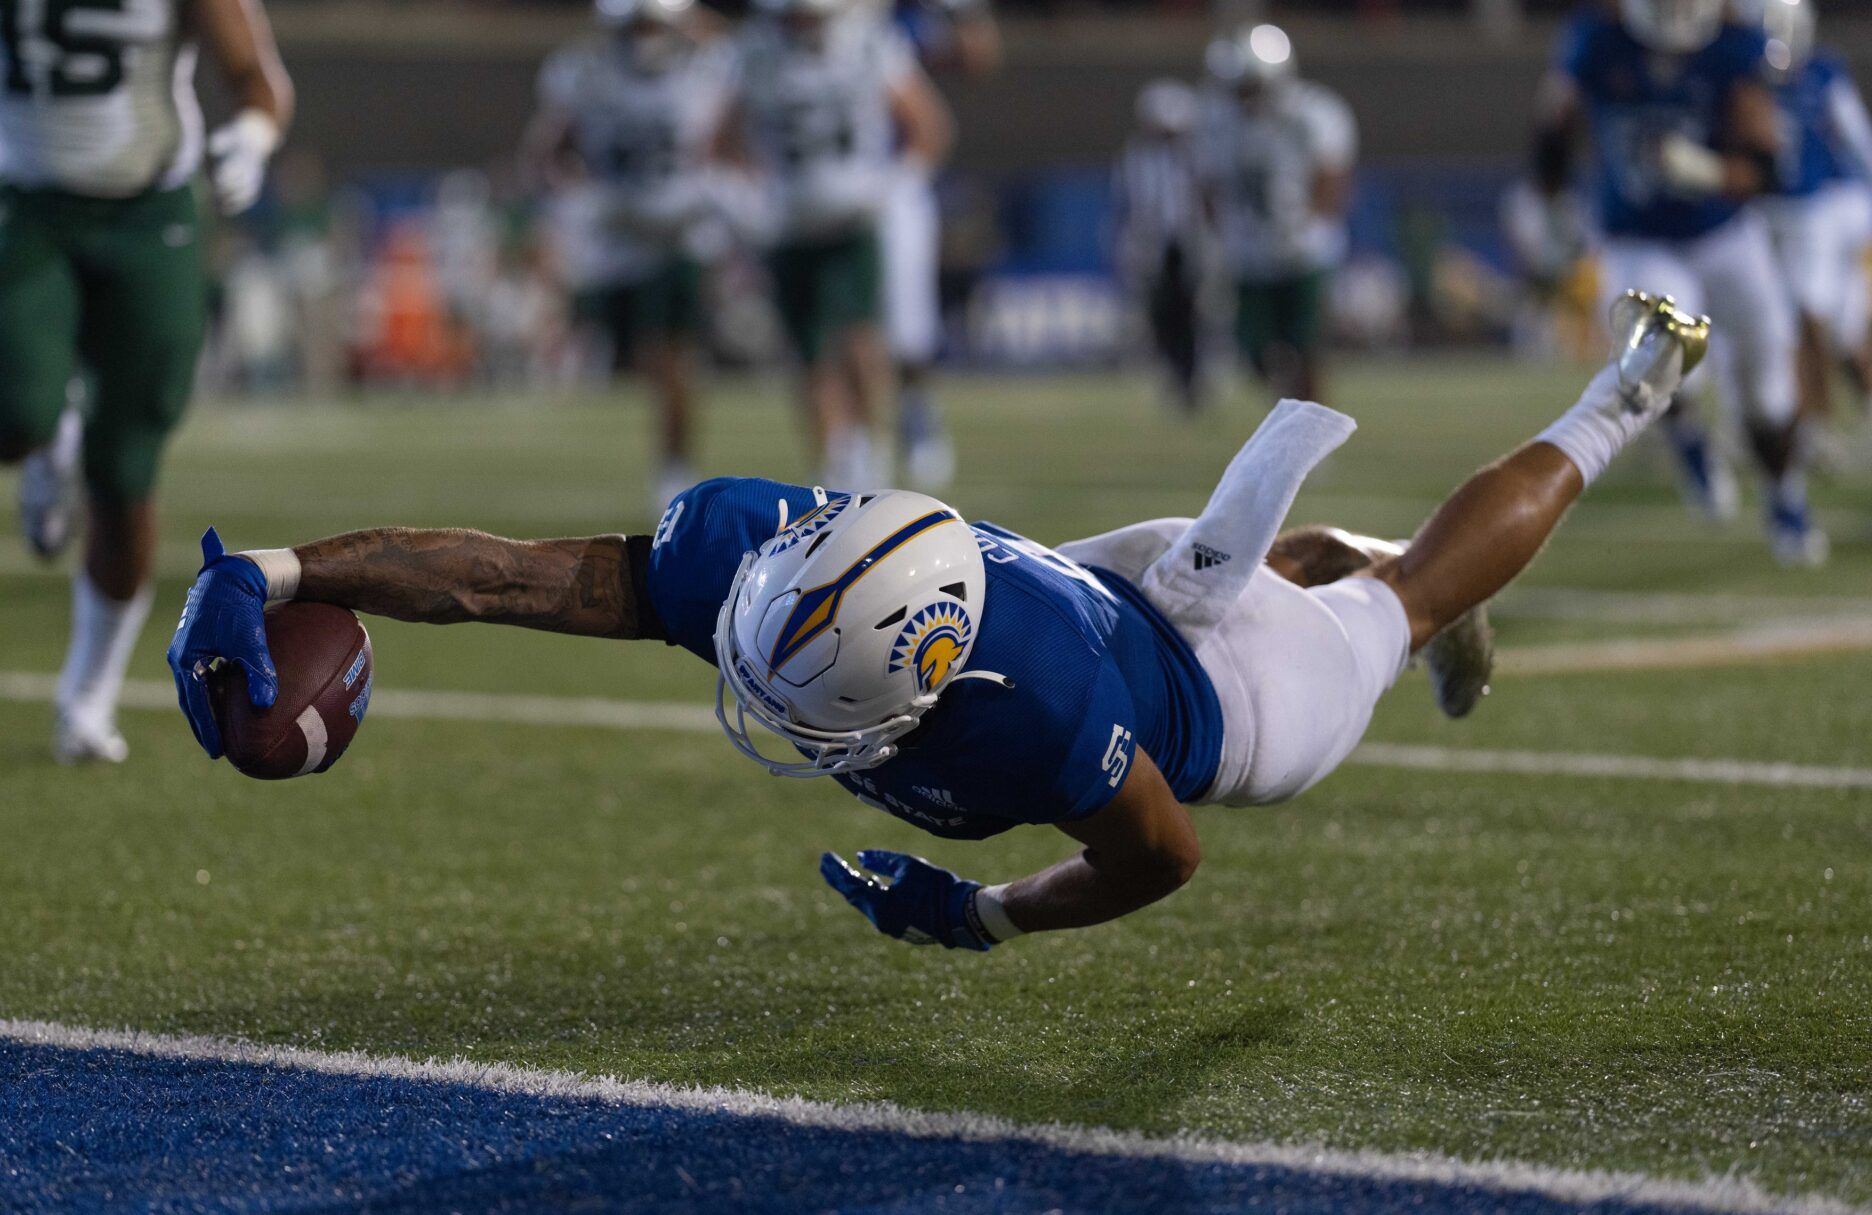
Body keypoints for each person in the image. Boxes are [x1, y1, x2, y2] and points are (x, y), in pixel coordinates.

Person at [169, 292, 1704, 952]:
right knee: (1226, 557)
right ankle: (1312, 553)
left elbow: (1163, 856)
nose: (766, 706)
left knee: (1413, 594)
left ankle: (1624, 393)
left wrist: (984, 914)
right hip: (1106, 572)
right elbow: (498, 577)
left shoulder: (1022, 715)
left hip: (1212, 693)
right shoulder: (755, 550)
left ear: (928, 685)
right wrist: (285, 576)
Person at [0, 0, 293, 763]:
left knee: (125, 469)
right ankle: (50, 441)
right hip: (29, 204)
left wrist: (251, 135)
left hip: (151, 215)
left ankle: (87, 695)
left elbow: (255, 76)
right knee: (4, 417)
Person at [1531, 0, 1825, 565]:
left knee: (1767, 391)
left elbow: (1764, 164)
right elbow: (1553, 132)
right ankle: (1689, 438)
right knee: (1660, 356)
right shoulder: (1595, 40)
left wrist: (1709, 171)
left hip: (1725, 235)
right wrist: (1554, 212)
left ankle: (1785, 498)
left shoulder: (1732, 45)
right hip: (1640, 236)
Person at [713, 0, 952, 493]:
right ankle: (833, 465)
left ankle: (873, 448)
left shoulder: (868, 43)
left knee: (861, 337)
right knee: (809, 352)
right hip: (787, 221)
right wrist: (744, 199)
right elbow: (718, 143)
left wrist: (892, 184)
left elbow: (928, 126)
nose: (799, 24)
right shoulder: (752, 53)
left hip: (852, 218)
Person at [524, 0, 735, 511]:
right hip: (615, 232)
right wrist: (575, 197)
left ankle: (675, 466)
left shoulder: (709, 69)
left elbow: (732, 133)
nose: (644, 36)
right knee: (614, 348)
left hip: (681, 229)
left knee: (673, 357)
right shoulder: (586, 73)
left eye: (653, 24)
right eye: (635, 25)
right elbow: (548, 150)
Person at [1196, 23, 1355, 405]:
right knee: (1253, 351)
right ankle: (1285, 413)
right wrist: (1221, 236)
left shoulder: (1313, 113)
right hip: (1250, 254)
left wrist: (1314, 227)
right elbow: (1207, 185)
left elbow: (1332, 175)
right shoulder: (1219, 123)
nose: (1243, 97)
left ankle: (1313, 433)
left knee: (1307, 348)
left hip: (1303, 249)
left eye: (1250, 86)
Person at [883, 0, 1001, 489]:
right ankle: (850, 448)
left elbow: (978, 60)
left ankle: (917, 416)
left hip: (889, 181)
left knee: (907, 329)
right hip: (818, 182)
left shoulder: (908, 20)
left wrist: (963, 11)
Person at [1749, 0, 1872, 436]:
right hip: (1760, 211)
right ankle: (1798, 419)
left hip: (1816, 212)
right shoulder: (1739, 67)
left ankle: (1815, 422)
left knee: (1815, 319)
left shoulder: (1822, 72)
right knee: (1787, 324)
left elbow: (1858, 141)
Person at [1114, 79, 1212, 416]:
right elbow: (1127, 205)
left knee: (1197, 314)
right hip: (1154, 248)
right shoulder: (1136, 156)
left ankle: (1197, 379)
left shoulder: (1199, 154)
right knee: (1162, 317)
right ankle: (1175, 377)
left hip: (1191, 245)